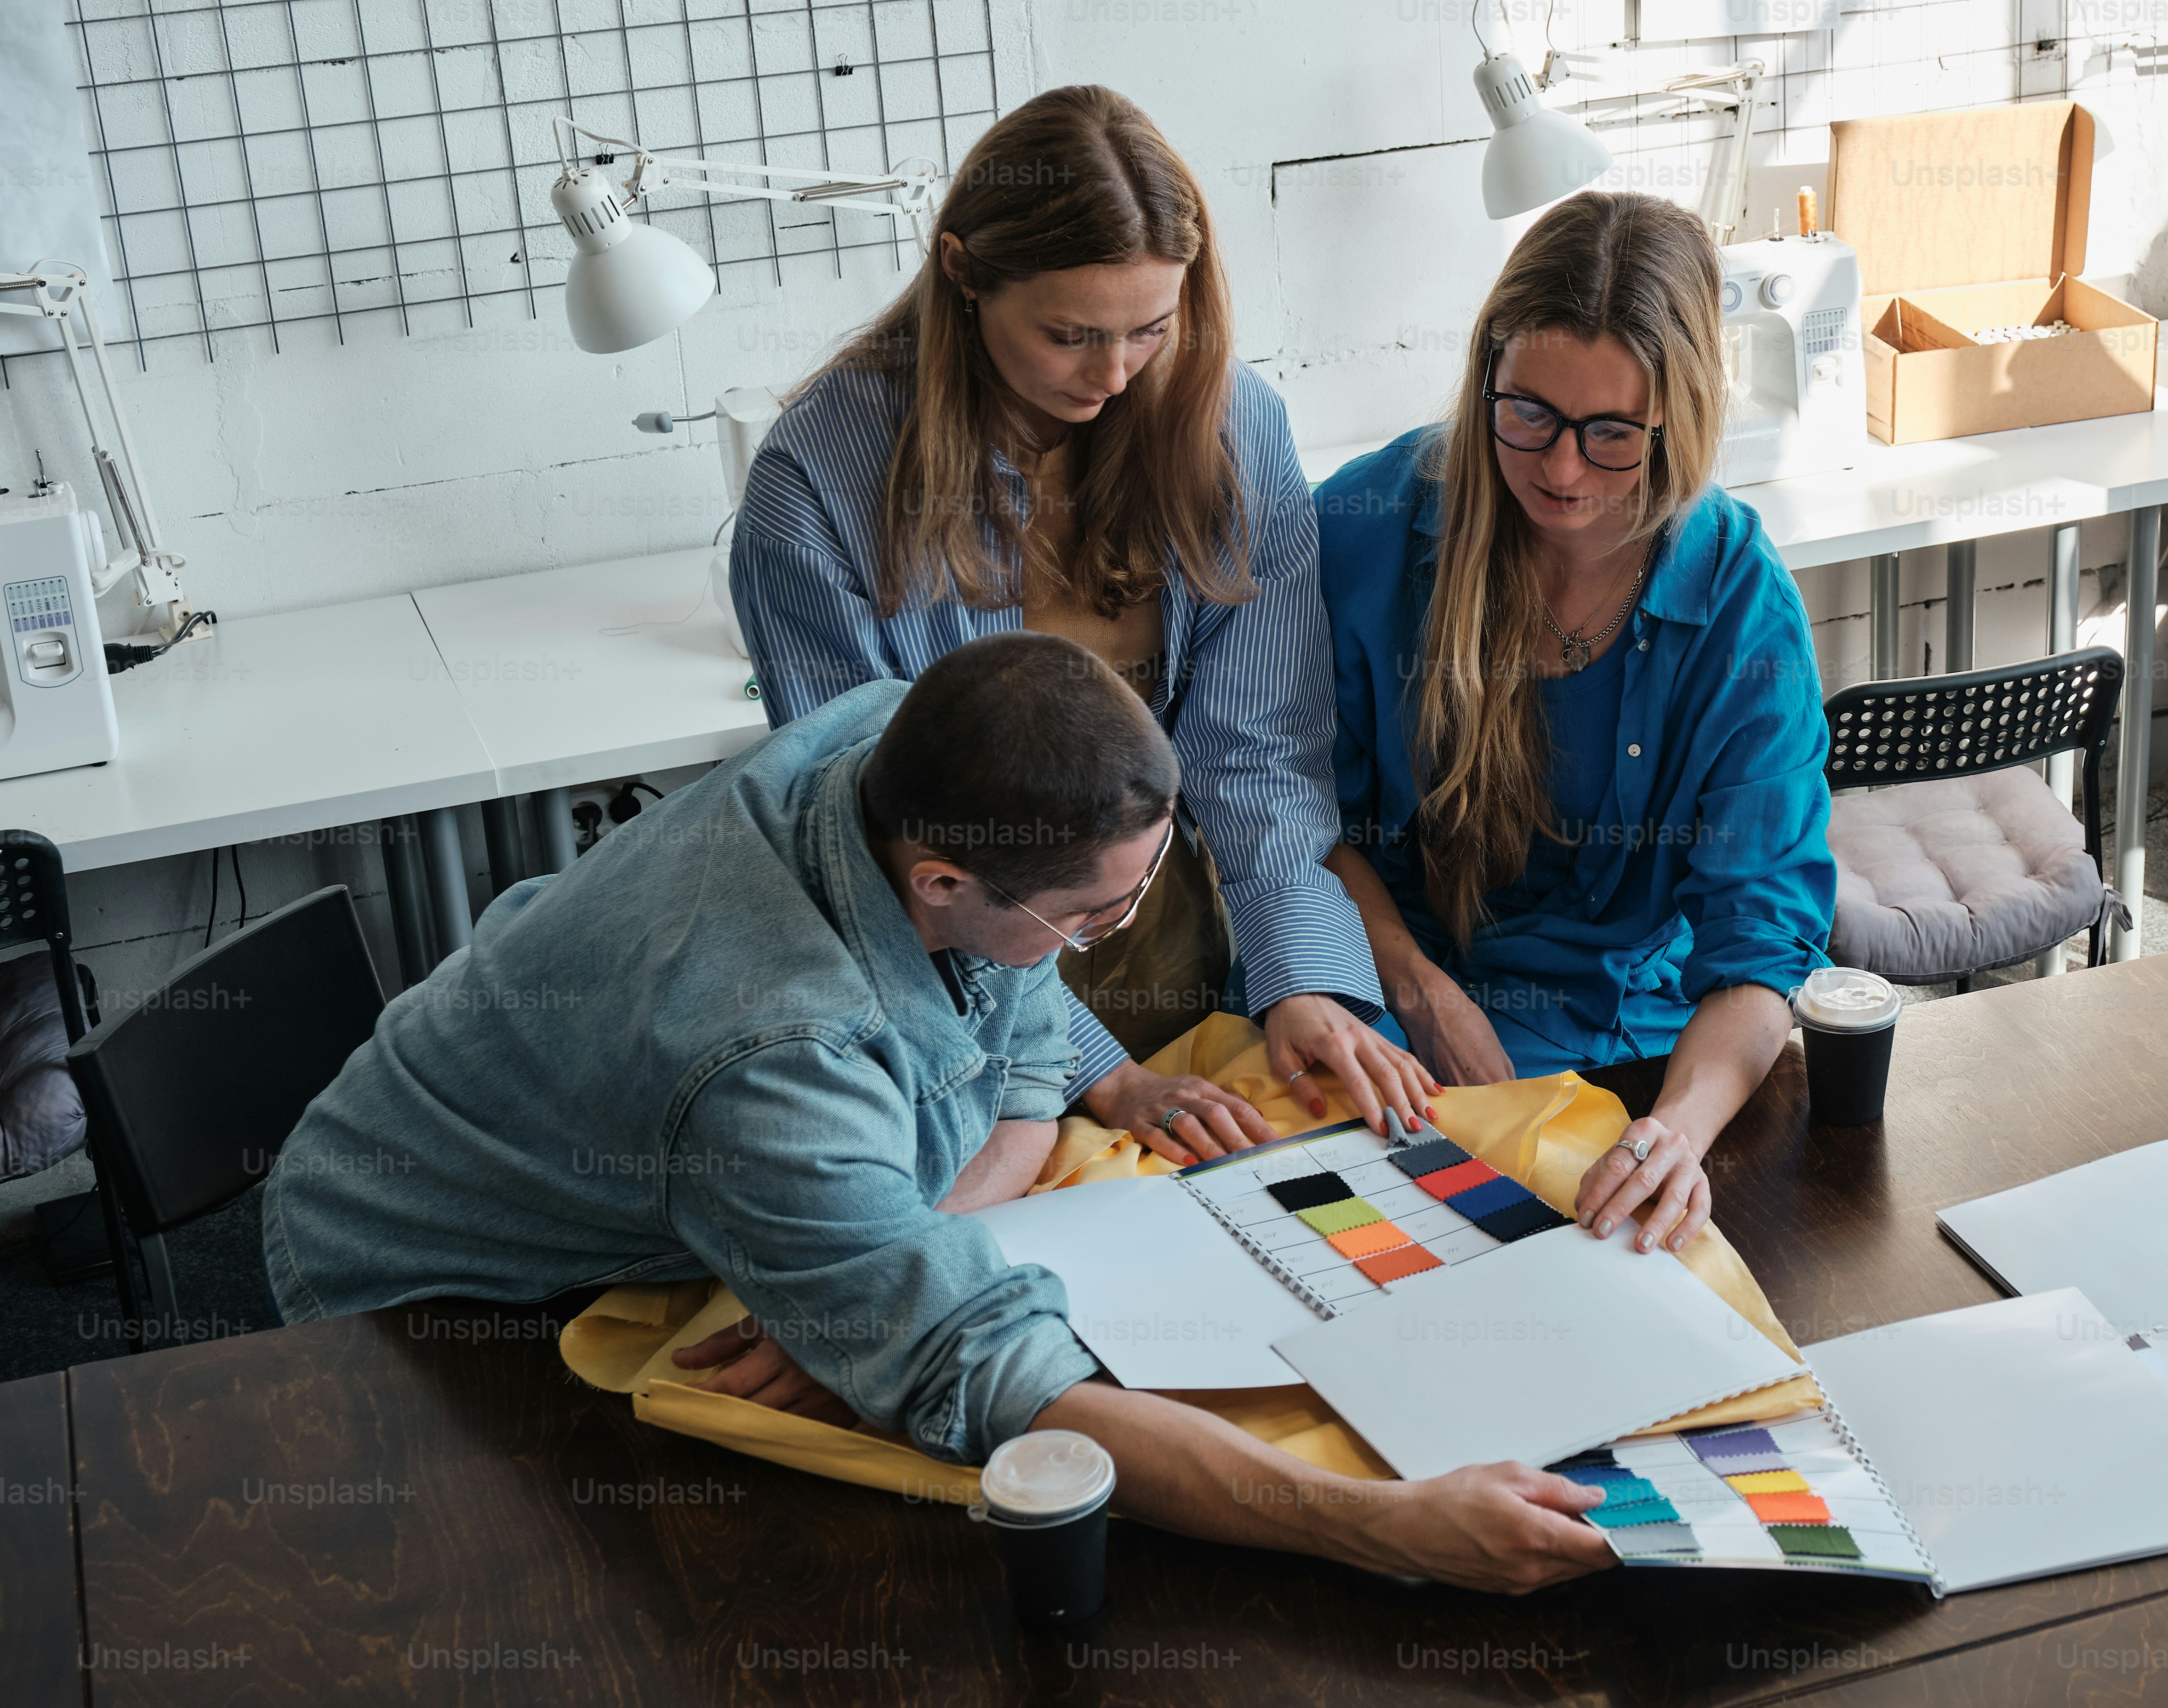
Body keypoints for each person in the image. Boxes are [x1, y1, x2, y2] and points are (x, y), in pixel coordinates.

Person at [261, 635, 1613, 1592]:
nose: (1118, 939)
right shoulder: (775, 1053)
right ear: (943, 878)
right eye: (1093, 914)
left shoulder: (916, 736)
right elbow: (1005, 1386)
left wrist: (863, 1280)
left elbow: (1019, 1070)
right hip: (425, 1310)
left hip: (624, 1133)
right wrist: (1381, 1524)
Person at [730, 85, 1430, 1161]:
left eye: (1151, 330)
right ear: (962, 274)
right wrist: (1096, 1073)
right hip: (941, 970)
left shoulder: (1233, 427)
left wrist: (1299, 977)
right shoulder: (819, 482)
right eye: (1069, 336)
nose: (1112, 377)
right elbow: (876, 845)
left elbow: (1256, 754)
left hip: (1173, 937)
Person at [1316, 190, 1834, 1257]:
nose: (1558, 471)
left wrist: (1675, 1139)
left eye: (1610, 437)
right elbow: (1289, 816)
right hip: (1377, 995)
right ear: (1485, 375)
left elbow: (1762, 947)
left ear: (1678, 419)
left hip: (1628, 1047)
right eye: (1528, 415)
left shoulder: (1737, 597)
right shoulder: (1363, 526)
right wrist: (1417, 989)